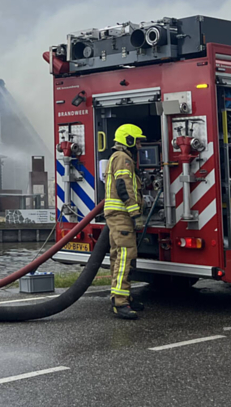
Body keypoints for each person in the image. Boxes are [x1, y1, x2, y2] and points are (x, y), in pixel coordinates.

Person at [104, 123, 146, 320]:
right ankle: (120, 303)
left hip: (117, 215)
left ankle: (123, 297)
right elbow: (124, 186)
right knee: (125, 258)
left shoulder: (117, 157)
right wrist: (136, 213)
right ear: (128, 139)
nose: (139, 145)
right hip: (122, 216)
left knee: (117, 257)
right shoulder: (123, 158)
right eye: (137, 140)